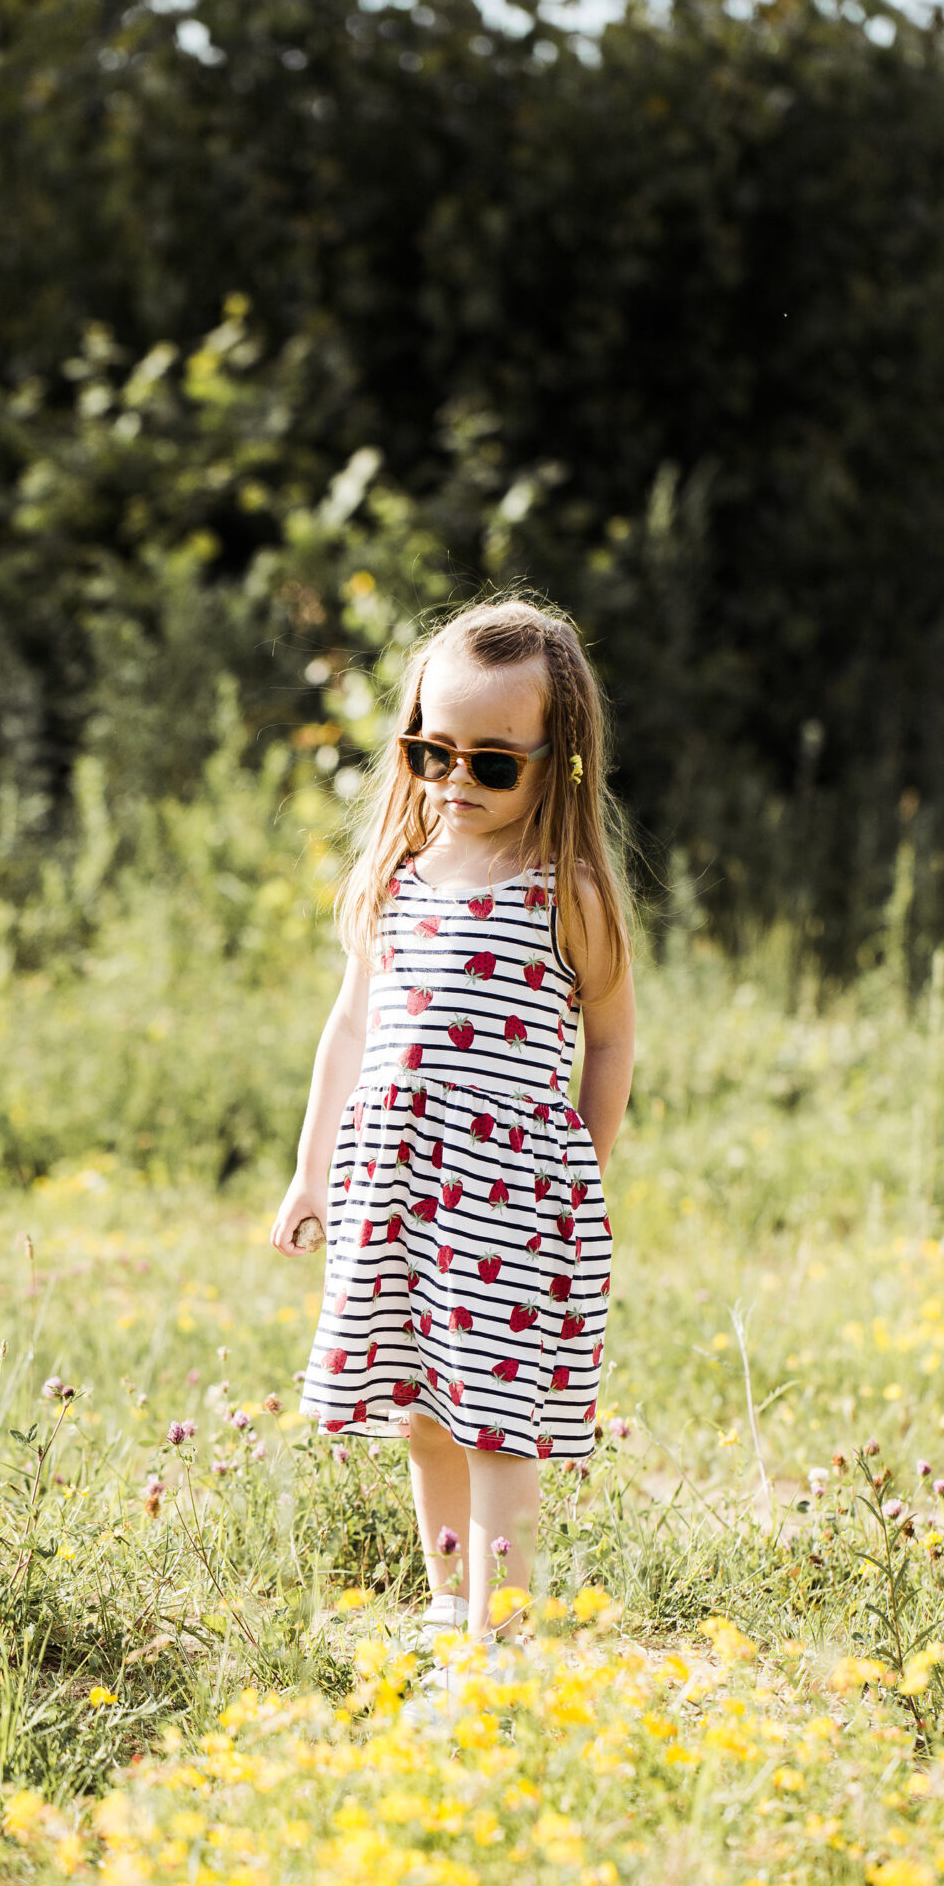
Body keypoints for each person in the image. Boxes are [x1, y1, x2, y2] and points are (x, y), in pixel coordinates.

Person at [271, 596, 636, 1656]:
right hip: (396, 1193)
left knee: (495, 1427)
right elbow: (351, 1028)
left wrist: (583, 1167)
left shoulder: (566, 895)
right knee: (420, 1411)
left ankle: (500, 1642)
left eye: (491, 763)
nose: (453, 782)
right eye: (432, 751)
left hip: (511, 1205)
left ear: (556, 761)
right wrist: (311, 1174)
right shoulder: (396, 880)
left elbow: (608, 1040)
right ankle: (445, 1606)